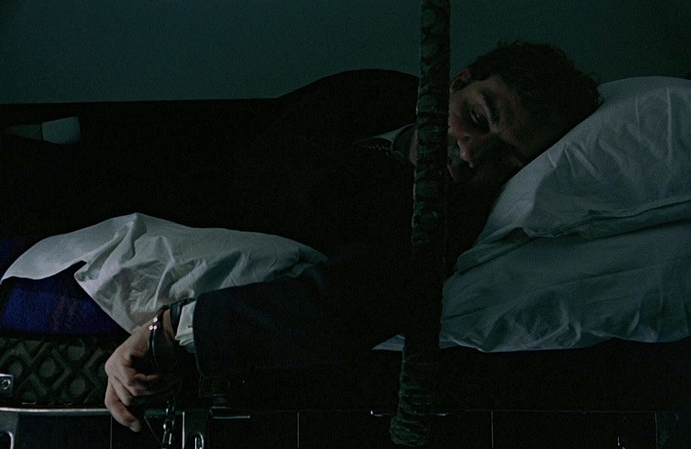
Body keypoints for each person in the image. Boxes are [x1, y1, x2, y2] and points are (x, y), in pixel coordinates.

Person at [104, 40, 600, 432]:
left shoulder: (441, 221)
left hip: (189, 242)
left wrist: (169, 330)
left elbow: (341, 305)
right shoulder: (378, 91)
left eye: (506, 158)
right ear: (457, 82)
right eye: (475, 118)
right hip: (177, 182)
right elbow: (258, 135)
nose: (472, 153)